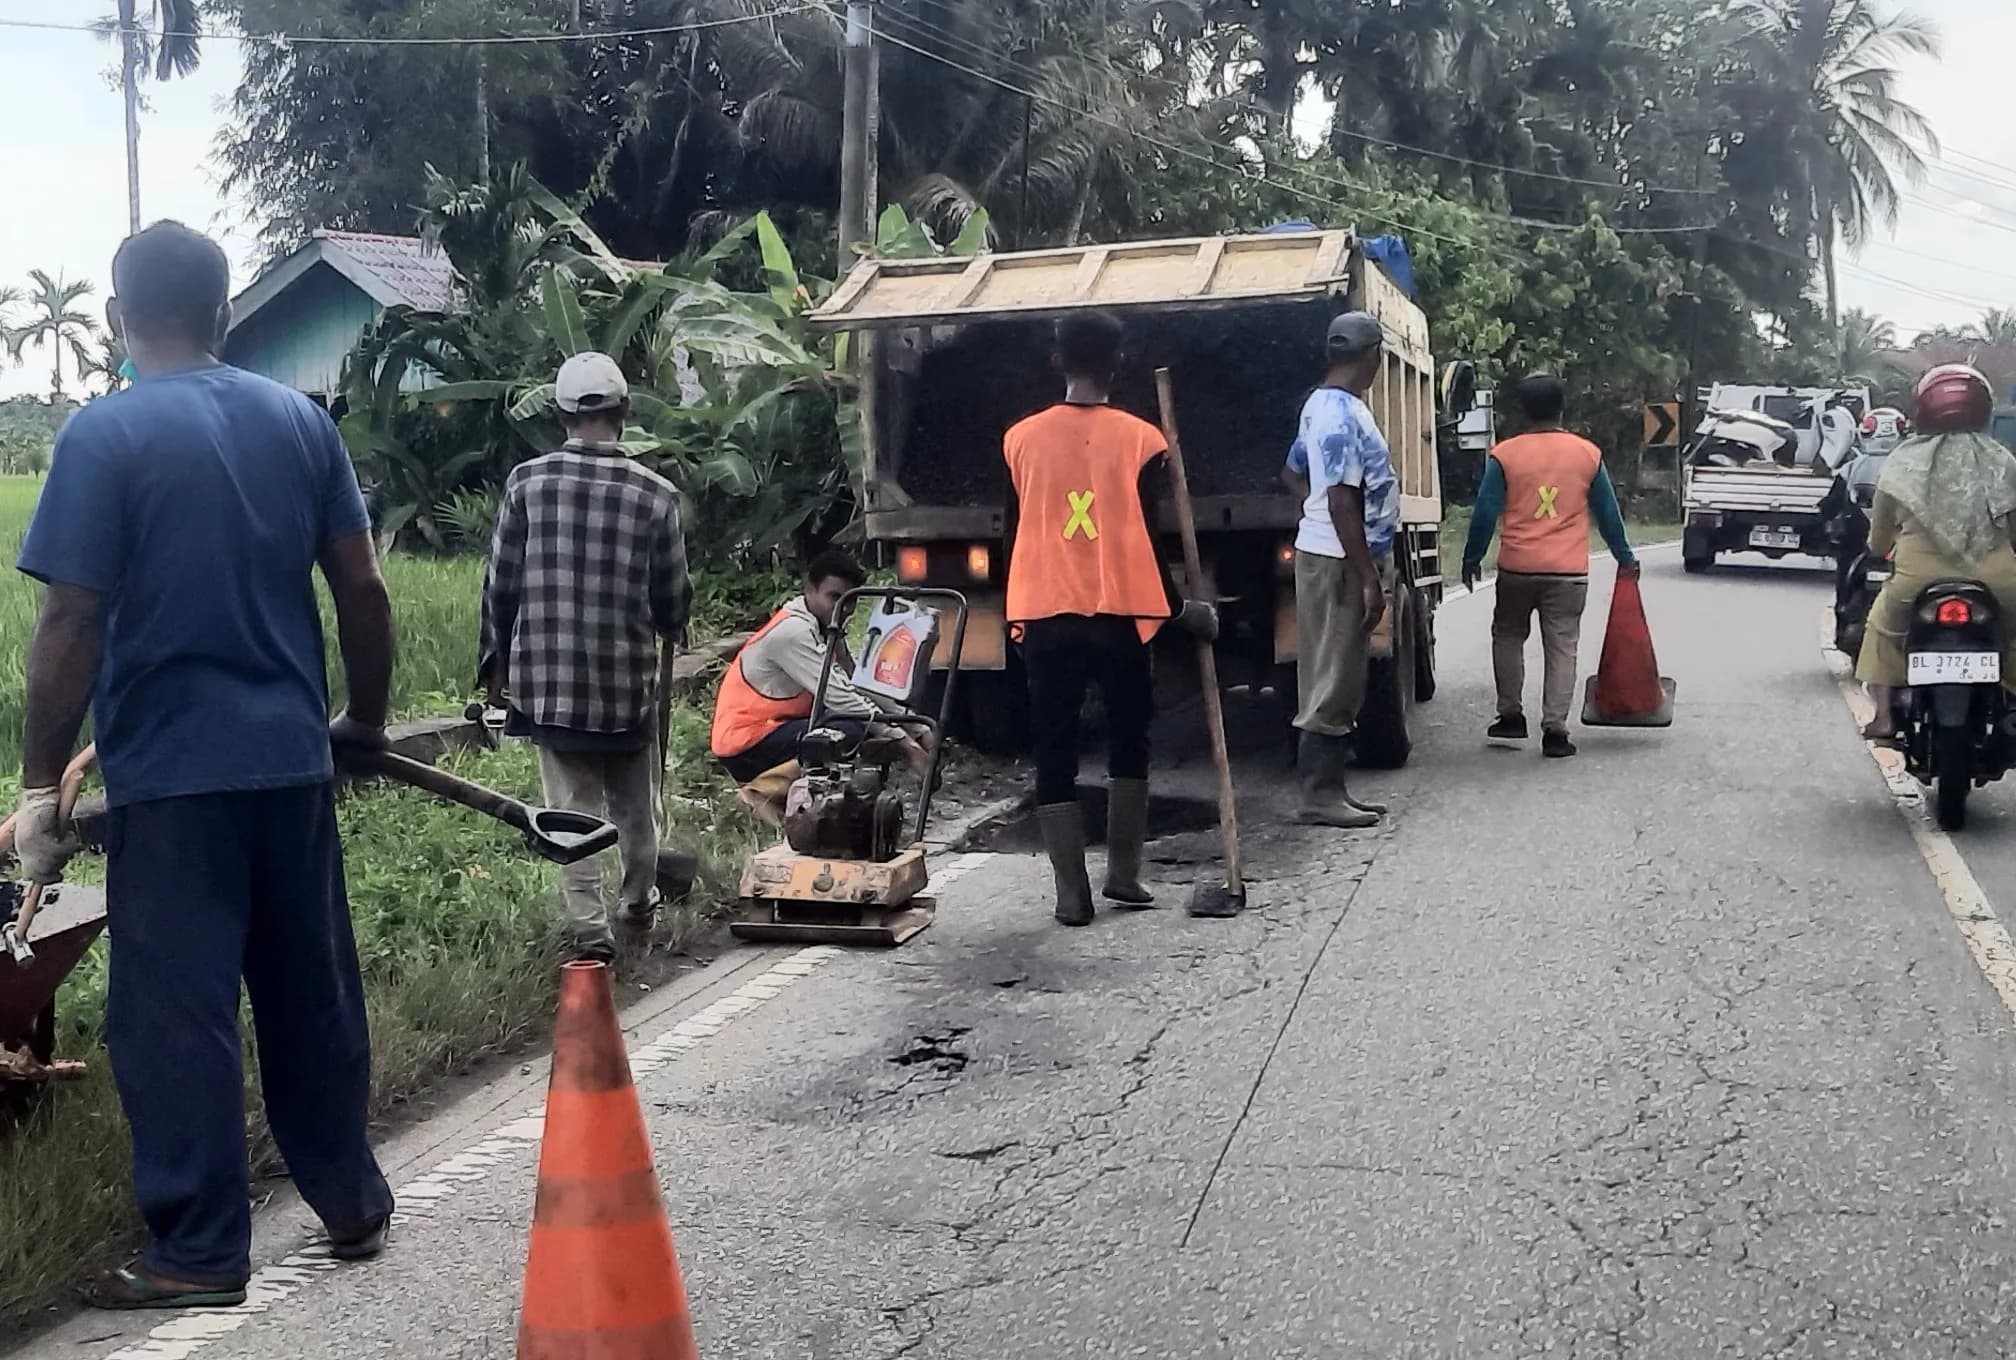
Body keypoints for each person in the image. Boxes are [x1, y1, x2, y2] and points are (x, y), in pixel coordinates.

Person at [13, 221, 396, 1308]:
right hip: (289, 766)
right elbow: (362, 591)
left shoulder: (104, 434)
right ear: (225, 313)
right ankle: (351, 1199)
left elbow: (70, 624)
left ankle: (199, 1249)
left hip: (174, 781)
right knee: (310, 987)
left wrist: (40, 784)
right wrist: (364, 722)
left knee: (176, 1013)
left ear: (115, 319)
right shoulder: (301, 424)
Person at [1002, 311, 1215, 927]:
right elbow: (1147, 537)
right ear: (1117, 363)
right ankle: (1123, 874)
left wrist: (1015, 612)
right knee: (1130, 738)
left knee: (1055, 747)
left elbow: (1013, 533)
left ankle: (1071, 894)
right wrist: (1181, 610)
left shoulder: (1019, 439)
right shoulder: (1144, 439)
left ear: (1057, 362)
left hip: (1044, 614)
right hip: (1119, 616)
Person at [480, 351, 691, 961]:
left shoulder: (527, 483)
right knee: (638, 811)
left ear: (562, 414)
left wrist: (495, 664)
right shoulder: (656, 495)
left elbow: (500, 584)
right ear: (625, 411)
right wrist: (670, 620)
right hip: (627, 688)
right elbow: (673, 599)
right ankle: (638, 904)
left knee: (571, 813)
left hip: (549, 686)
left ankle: (590, 935)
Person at [1461, 373, 1638, 759]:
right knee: (1562, 646)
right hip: (1568, 573)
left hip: (1517, 568)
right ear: (1562, 407)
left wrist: (1471, 558)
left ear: (1523, 410)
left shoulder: (1505, 454)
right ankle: (1555, 729)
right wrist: (1625, 557)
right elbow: (1608, 515)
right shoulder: (1587, 454)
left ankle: (1510, 715)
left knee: (1508, 635)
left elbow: (1485, 513)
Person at [711, 549, 934, 824]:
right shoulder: (793, 633)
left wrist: (915, 726)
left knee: (856, 726)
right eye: (834, 597)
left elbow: (858, 683)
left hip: (778, 727)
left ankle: (836, 804)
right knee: (847, 731)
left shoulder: (825, 626)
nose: (844, 608)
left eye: (850, 600)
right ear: (810, 591)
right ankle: (760, 792)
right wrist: (906, 743)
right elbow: (841, 697)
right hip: (746, 742)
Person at [1281, 311, 1398, 826]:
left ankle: (1330, 790)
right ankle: (1319, 794)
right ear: (1372, 356)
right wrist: (1368, 576)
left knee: (1336, 672)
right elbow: (1342, 500)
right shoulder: (1342, 415)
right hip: (1338, 559)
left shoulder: (1320, 405)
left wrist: (1314, 512)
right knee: (1334, 677)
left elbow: (1292, 472)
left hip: (1329, 551)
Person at [1857, 364, 2016, 741]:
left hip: (1917, 580)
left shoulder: (1901, 463)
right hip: (1997, 581)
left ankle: (1883, 717)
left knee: (1883, 629)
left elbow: (1879, 538)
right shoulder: (2004, 462)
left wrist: (1880, 549)